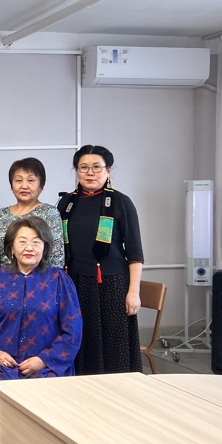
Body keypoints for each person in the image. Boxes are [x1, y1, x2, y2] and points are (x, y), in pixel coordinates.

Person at [57, 145, 144, 374]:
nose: (90, 172)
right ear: (76, 171)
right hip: (75, 284)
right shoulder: (66, 203)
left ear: (108, 171)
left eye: (96, 167)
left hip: (112, 285)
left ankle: (119, 389)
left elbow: (135, 253)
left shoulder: (121, 202)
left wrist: (133, 292)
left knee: (114, 345)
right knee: (80, 340)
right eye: (83, 167)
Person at [0, 216, 82, 380]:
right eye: (22, 242)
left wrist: (44, 360)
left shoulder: (59, 279)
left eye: (36, 242)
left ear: (45, 248)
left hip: (47, 367)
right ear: (11, 248)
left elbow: (73, 330)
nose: (29, 247)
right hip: (0, 366)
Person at [0, 158, 64, 268]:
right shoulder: (0, 214)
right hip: (3, 277)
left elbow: (57, 258)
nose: (24, 186)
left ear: (41, 185)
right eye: (18, 180)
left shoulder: (49, 213)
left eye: (31, 180)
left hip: (39, 277)